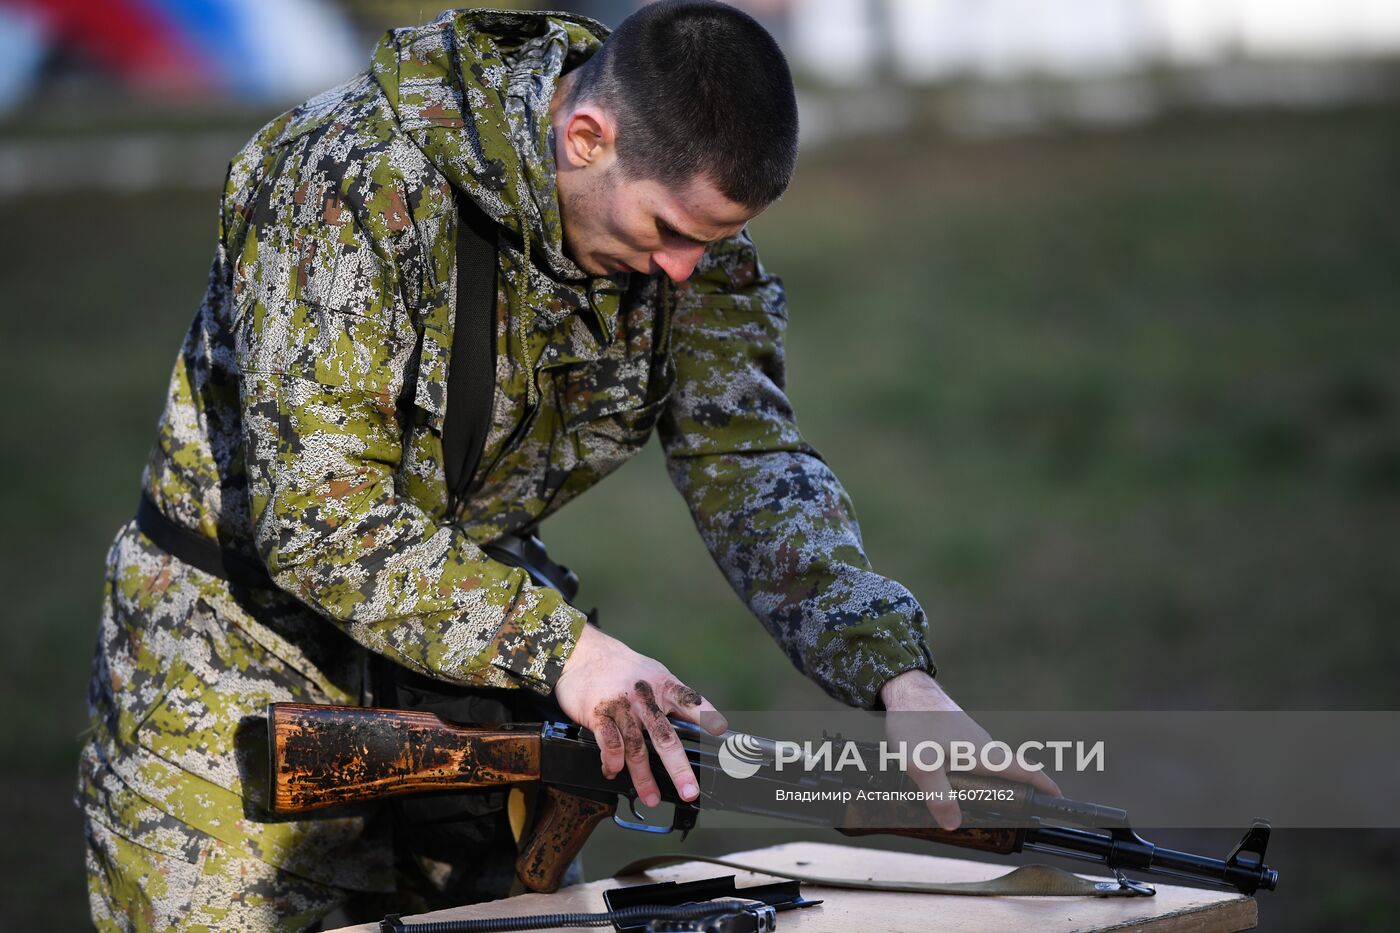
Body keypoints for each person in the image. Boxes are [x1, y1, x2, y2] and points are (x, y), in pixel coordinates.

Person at [79, 2, 1056, 930]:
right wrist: (573, 654)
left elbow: (746, 460)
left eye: (710, 240)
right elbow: (320, 522)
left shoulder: (684, 230)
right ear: (584, 136)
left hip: (479, 695)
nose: (684, 269)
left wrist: (897, 682)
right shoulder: (353, 178)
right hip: (238, 674)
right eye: (669, 233)